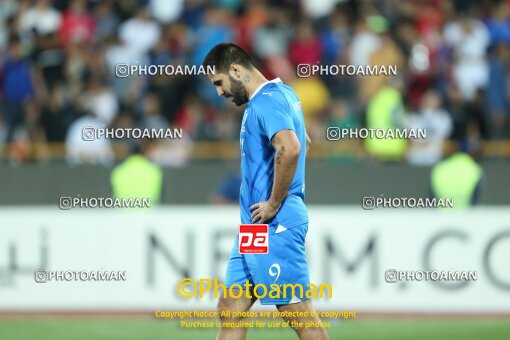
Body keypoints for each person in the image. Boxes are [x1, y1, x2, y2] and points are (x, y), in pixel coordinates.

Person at [203, 43, 328, 340]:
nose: (219, 92)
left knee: (299, 315)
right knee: (230, 308)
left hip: (273, 222)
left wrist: (274, 202)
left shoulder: (265, 102)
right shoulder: (282, 94)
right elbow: (305, 142)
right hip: (254, 226)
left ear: (236, 70)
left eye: (219, 83)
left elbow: (292, 147)